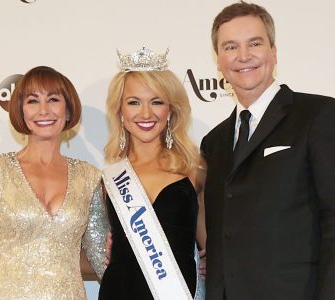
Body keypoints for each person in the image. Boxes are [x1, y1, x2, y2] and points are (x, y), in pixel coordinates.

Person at [200, 2, 335, 299]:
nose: (243, 56)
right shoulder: (214, 142)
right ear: (219, 61)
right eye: (230, 47)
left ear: (273, 52)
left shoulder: (318, 115)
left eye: (255, 43)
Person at [0, 66, 108, 299]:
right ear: (21, 111)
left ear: (68, 111)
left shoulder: (90, 177)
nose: (43, 110)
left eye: (53, 99)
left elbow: (101, 257)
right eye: (33, 101)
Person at [99, 47, 206, 300]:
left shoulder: (195, 169)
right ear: (120, 112)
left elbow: (213, 248)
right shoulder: (110, 178)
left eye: (156, 102)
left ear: (170, 110)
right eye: (134, 102)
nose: (145, 114)